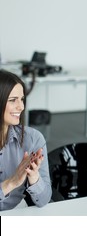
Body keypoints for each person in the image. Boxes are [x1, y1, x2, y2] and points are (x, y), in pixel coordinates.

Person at [0, 69, 52, 211]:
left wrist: (34, 177)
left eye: (22, 99)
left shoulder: (34, 139)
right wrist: (11, 183)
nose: (21, 107)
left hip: (17, 212)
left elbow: (44, 200)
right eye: (13, 100)